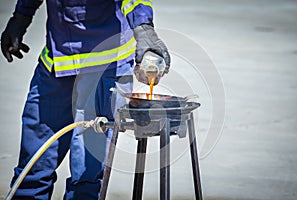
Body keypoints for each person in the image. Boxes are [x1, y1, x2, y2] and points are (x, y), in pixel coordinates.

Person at [1, 0, 170, 199]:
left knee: (86, 177)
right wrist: (21, 16)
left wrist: (144, 30)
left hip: (104, 67)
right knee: (32, 168)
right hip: (57, 66)